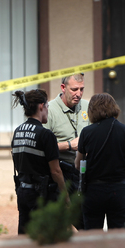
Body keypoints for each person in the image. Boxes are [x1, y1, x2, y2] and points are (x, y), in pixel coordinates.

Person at [75, 93, 125, 230]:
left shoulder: (86, 132)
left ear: (92, 110)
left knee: (93, 235)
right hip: (119, 191)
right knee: (118, 235)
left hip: (93, 191)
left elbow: (78, 164)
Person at [11, 89, 67, 234]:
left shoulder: (18, 132)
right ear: (41, 106)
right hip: (41, 197)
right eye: (47, 106)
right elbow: (56, 171)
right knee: (45, 238)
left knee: (24, 237)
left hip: (23, 192)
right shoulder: (45, 134)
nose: (48, 110)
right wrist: (65, 196)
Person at [43, 73, 90, 228]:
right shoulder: (50, 110)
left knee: (87, 222)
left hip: (85, 172)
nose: (79, 94)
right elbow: (42, 146)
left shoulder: (87, 106)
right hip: (62, 172)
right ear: (63, 88)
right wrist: (69, 145)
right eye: (74, 89)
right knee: (63, 222)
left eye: (82, 89)